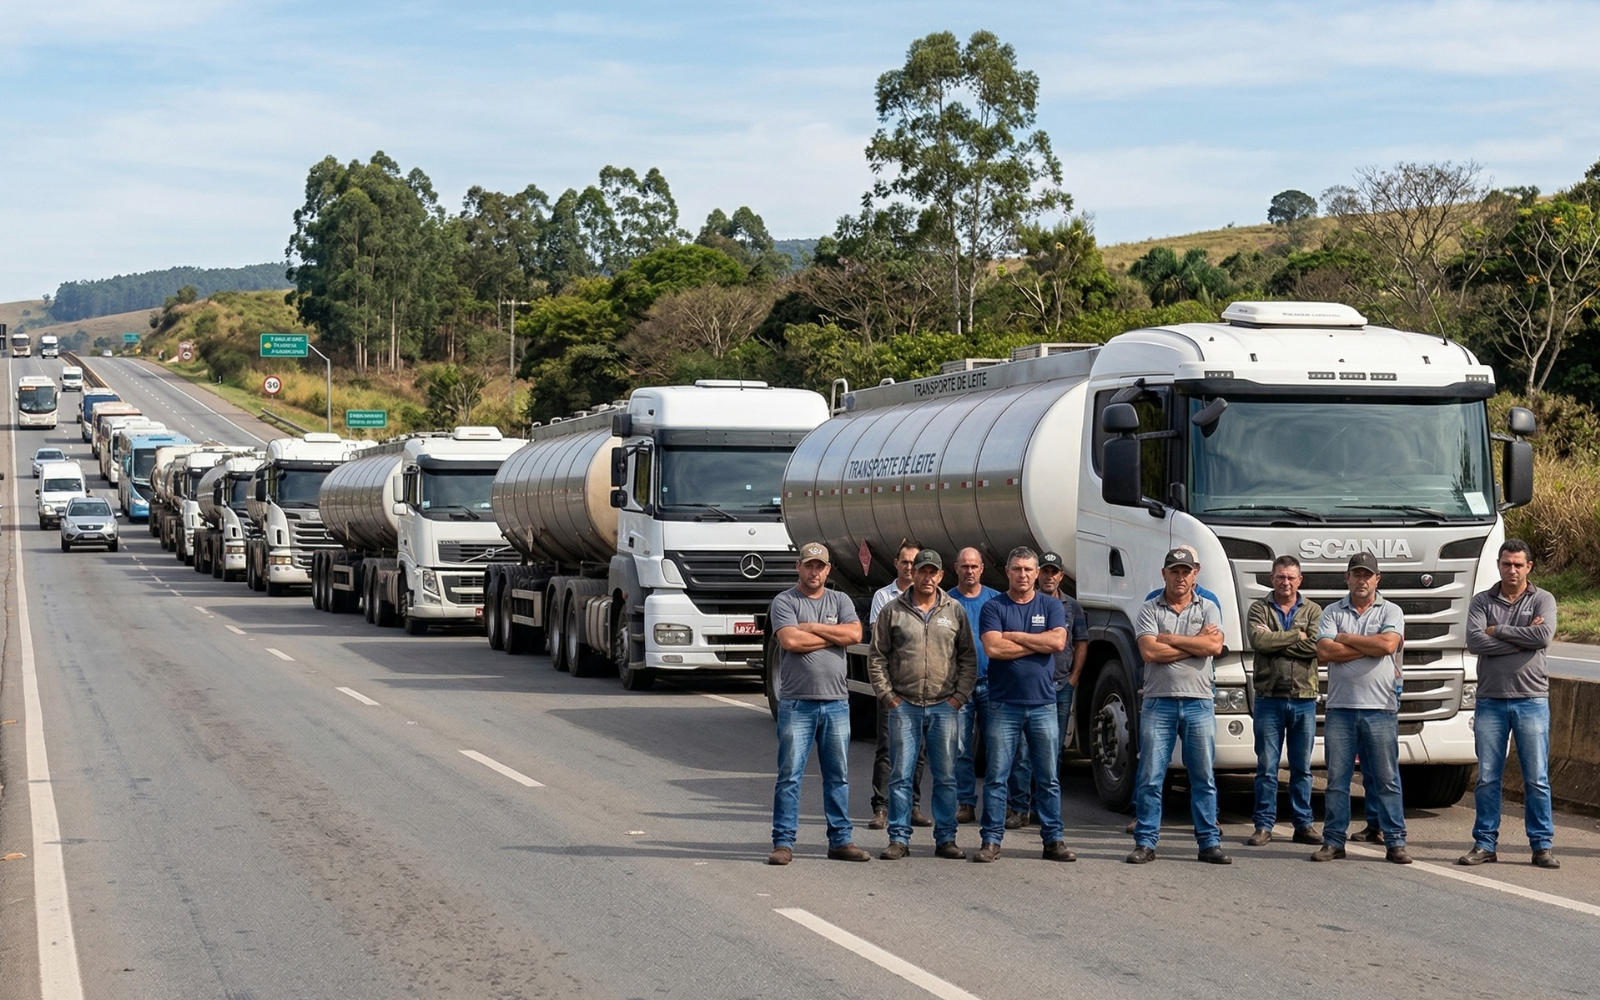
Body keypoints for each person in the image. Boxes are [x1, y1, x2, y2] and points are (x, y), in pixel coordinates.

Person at [869, 549, 978, 860]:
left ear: (941, 576)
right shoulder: (894, 610)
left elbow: (968, 657)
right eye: (922, 571)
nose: (927, 578)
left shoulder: (954, 610)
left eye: (933, 572)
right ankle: (899, 839)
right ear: (912, 573)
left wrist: (959, 697)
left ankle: (946, 839)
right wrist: (888, 696)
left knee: (945, 775)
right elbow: (877, 657)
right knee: (901, 775)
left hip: (945, 706)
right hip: (904, 705)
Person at [767, 542, 870, 865]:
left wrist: (812, 628)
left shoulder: (839, 599)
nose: (814, 572)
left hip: (837, 702)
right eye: (809, 565)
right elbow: (790, 641)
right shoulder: (784, 601)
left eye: (820, 566)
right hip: (797, 704)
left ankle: (840, 840)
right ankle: (783, 843)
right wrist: (832, 634)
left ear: (828, 570)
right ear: (798, 566)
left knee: (837, 776)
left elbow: (855, 635)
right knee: (790, 776)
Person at [1460, 539, 1560, 869]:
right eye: (1507, 564)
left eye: (1518, 564)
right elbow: (1475, 641)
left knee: (1536, 778)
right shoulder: (1481, 601)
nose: (1512, 570)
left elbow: (1543, 638)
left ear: (1529, 567)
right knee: (1488, 777)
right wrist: (1520, 641)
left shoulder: (1543, 599)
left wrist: (1499, 631)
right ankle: (1485, 843)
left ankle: (1541, 845)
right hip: (1491, 701)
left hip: (1531, 699)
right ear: (1499, 565)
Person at [1128, 546, 1231, 865]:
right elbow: (1149, 653)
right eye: (1174, 571)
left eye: (1186, 571)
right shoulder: (1149, 607)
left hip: (1199, 701)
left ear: (1195, 574)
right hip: (1159, 703)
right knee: (1150, 776)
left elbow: (1214, 646)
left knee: (1203, 776)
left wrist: (1169, 639)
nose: (1180, 577)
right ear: (1164, 574)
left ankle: (1208, 843)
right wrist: (1194, 645)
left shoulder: (1209, 605)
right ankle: (1145, 842)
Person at [974, 547, 1075, 863]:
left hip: (1043, 704)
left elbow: (1057, 643)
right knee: (996, 778)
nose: (1023, 575)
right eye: (1017, 569)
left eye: (1029, 570)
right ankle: (991, 841)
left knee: (1048, 778)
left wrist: (1014, 637)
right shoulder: (994, 606)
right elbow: (992, 648)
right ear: (1007, 571)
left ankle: (1053, 841)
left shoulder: (1050, 604)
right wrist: (1035, 643)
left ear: (1037, 573)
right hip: (1003, 704)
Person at [1313, 552, 1410, 864]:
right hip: (1341, 708)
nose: (1362, 580)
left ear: (1377, 579)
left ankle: (1395, 842)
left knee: (1386, 779)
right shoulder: (1331, 611)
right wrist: (1368, 645)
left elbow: (1387, 646)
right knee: (1337, 781)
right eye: (1356, 574)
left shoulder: (1391, 610)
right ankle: (1333, 841)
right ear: (1347, 578)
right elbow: (1324, 652)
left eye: (1368, 575)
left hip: (1381, 708)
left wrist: (1346, 639)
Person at [1245, 555, 1324, 846]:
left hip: (1304, 698)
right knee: (1266, 766)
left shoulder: (1314, 610)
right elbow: (1258, 641)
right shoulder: (1259, 608)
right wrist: (1296, 635)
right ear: (1272, 578)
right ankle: (1263, 825)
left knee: (1302, 768)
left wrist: (1278, 639)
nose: (1286, 582)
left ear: (1299, 580)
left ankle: (1303, 824)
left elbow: (1316, 646)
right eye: (1280, 576)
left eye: (1291, 577)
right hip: (1269, 696)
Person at [1008, 552, 1087, 827]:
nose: (1050, 577)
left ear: (1061, 576)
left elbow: (1080, 642)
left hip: (1060, 686)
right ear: (1038, 573)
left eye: (1055, 572)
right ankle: (1019, 807)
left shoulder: (1072, 607)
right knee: (1022, 752)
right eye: (1046, 571)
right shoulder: (1028, 603)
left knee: (1052, 753)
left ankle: (1044, 809)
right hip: (1028, 688)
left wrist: (1074, 678)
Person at [867, 542, 929, 830]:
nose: (909, 567)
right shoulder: (884, 597)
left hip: (924, 691)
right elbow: (882, 643)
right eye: (904, 562)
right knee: (888, 750)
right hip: (893, 687)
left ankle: (912, 806)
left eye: (913, 563)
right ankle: (881, 807)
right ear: (896, 563)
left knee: (918, 752)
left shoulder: (931, 600)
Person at [949, 547, 999, 825]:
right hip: (960, 686)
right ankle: (965, 802)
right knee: (960, 749)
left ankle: (995, 805)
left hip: (993, 683)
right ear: (956, 568)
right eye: (964, 566)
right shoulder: (946, 601)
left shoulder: (995, 600)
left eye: (974, 566)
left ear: (982, 569)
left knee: (997, 747)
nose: (969, 571)